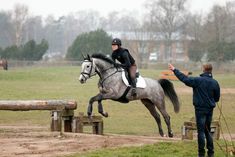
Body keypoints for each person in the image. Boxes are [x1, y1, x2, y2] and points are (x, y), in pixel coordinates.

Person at [168, 63, 220, 157]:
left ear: (203, 69)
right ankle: (211, 153)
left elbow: (185, 79)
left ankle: (201, 154)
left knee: (201, 131)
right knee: (207, 130)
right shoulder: (215, 82)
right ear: (211, 70)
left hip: (200, 110)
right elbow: (217, 98)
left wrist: (175, 70)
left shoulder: (198, 80)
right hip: (209, 110)